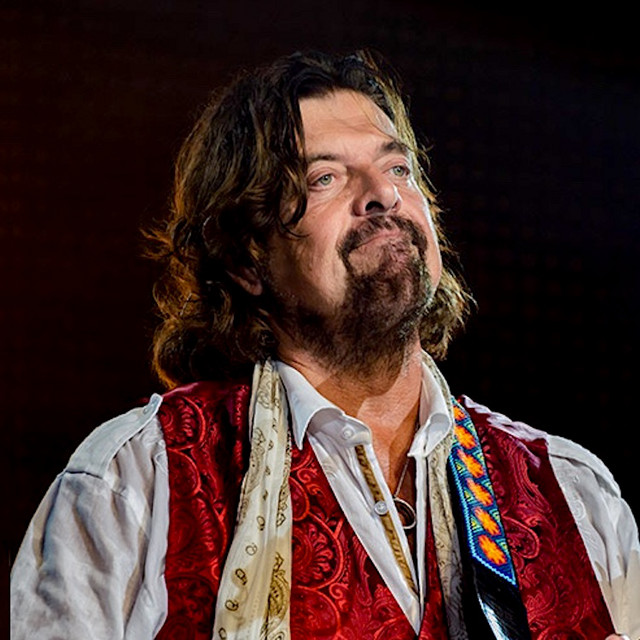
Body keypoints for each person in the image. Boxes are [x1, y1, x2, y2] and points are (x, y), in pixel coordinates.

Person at [10, 50, 640, 640]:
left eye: (397, 168)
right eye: (325, 178)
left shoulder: (574, 494)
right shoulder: (137, 481)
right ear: (246, 259)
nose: (383, 195)